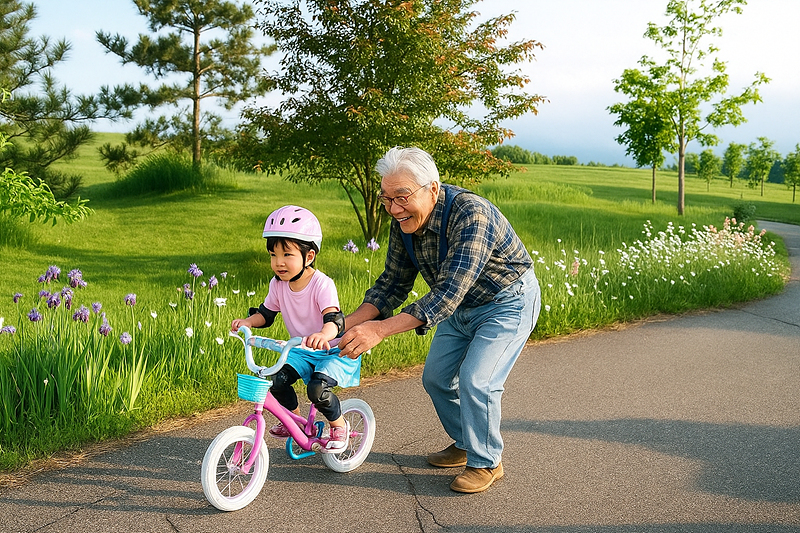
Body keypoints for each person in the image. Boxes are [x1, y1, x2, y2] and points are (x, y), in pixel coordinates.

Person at [338, 147, 540, 492]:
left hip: (505, 302)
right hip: (458, 308)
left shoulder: (471, 214)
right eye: (386, 199)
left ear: (432, 188)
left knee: (478, 381)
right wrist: (347, 324)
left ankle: (487, 461)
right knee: (436, 378)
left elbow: (447, 292)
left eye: (401, 197)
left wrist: (381, 330)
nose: (394, 208)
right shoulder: (402, 221)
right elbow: (393, 282)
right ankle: (466, 442)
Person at [231, 205, 360, 451]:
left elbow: (334, 319)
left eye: (287, 255)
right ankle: (295, 421)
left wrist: (324, 334)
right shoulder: (278, 284)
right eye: (273, 255)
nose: (278, 263)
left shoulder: (322, 284)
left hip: (331, 350)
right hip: (301, 350)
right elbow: (266, 314)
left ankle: (339, 425)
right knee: (277, 381)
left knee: (317, 389)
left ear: (309, 256)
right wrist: (248, 323)